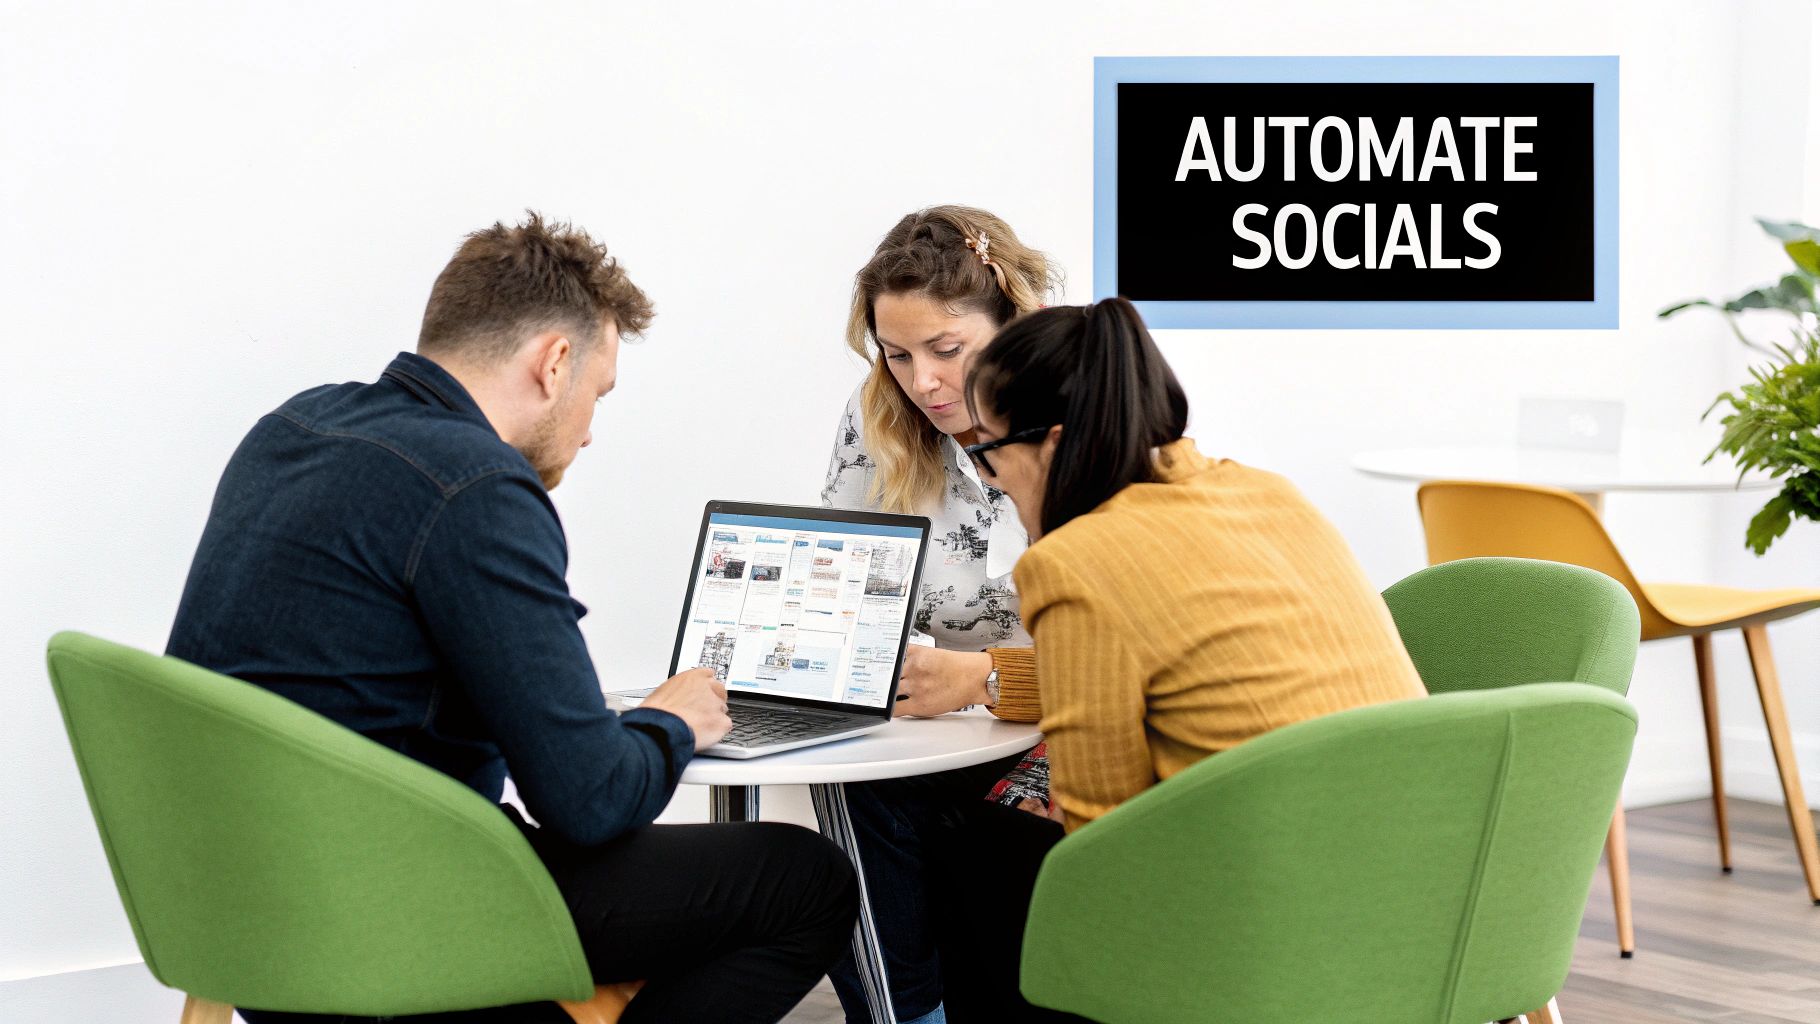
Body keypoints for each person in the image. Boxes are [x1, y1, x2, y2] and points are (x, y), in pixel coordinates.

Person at [166, 213, 858, 1024]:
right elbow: (590, 803)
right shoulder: (476, 485)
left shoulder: (295, 427)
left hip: (248, 911)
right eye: (597, 394)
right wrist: (668, 722)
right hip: (396, 916)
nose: (591, 431)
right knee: (805, 881)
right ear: (554, 363)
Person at [919, 297, 1428, 1020]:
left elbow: (1108, 840)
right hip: (1422, 883)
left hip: (1267, 923)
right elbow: (1200, 659)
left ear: (1055, 445)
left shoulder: (1074, 560)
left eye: (989, 451)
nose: (992, 479)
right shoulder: (1266, 491)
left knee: (972, 838)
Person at [819, 206, 1060, 1024]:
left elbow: (1133, 662)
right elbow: (842, 584)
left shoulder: (1078, 417)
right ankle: (904, 1017)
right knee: (850, 778)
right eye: (897, 355)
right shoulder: (879, 420)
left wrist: (985, 678)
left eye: (946, 351)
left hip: (1075, 719)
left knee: (1003, 832)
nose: (921, 381)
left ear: (1012, 325)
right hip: (956, 720)